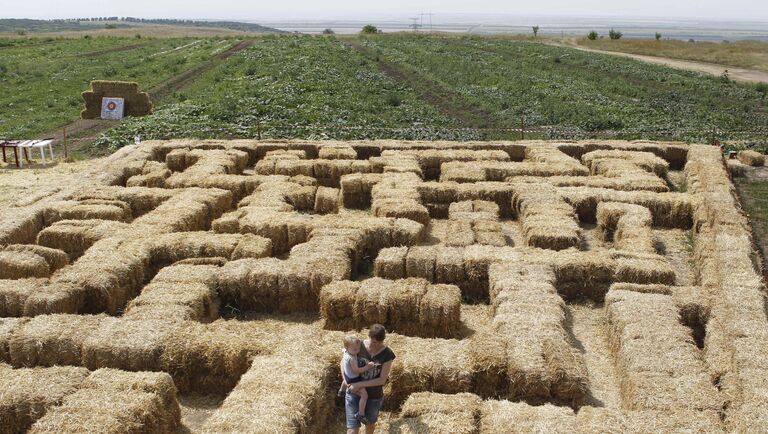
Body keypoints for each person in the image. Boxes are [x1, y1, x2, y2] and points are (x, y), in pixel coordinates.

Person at [345, 324, 396, 434]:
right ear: (368, 337)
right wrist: (346, 380)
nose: (376, 345)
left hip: (374, 397)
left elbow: (382, 380)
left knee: (370, 426)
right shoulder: (358, 345)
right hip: (354, 393)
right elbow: (344, 361)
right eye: (373, 342)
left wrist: (359, 384)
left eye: (379, 343)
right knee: (352, 430)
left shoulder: (387, 354)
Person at [339, 336, 376, 424]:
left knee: (345, 380)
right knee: (364, 395)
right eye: (355, 349)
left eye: (359, 348)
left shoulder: (346, 352)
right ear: (347, 348)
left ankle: (341, 391)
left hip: (348, 377)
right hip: (354, 380)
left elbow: (343, 350)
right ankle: (361, 414)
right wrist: (368, 367)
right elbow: (357, 370)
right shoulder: (351, 359)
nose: (357, 351)